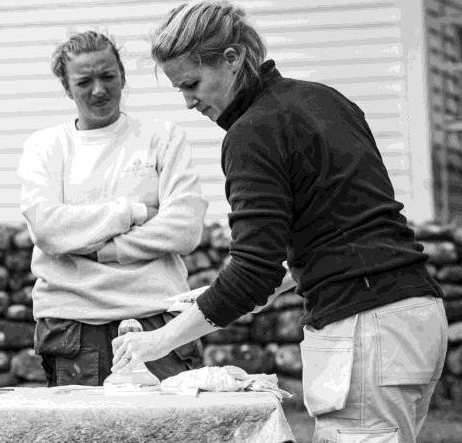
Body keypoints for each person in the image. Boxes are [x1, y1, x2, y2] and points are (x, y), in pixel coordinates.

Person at [114, 2, 448, 441]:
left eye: (192, 84)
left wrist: (160, 342)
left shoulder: (252, 131)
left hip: (364, 328)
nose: (190, 101)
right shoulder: (326, 100)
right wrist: (212, 296)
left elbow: (253, 272)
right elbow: (342, 236)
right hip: (416, 314)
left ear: (232, 59)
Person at [15, 31, 207, 387]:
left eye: (108, 76)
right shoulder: (44, 147)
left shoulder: (163, 136)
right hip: (72, 324)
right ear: (66, 88)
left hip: (159, 319)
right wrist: (133, 212)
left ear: (123, 75)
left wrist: (103, 250)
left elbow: (184, 227)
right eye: (84, 81)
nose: (99, 90)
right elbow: (47, 229)